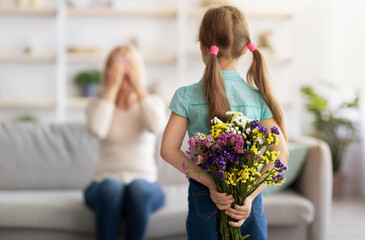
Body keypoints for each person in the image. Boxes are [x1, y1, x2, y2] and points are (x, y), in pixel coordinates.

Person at [160, 6, 289, 240]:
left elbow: (168, 150)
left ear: (202, 45)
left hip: (204, 198)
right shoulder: (258, 97)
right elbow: (280, 154)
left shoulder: (186, 96)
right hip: (247, 203)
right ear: (244, 49)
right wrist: (249, 195)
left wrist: (210, 183)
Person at [84, 45, 166, 240]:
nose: (125, 73)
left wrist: (139, 88)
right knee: (112, 187)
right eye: (119, 68)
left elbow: (156, 126)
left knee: (139, 187)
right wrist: (111, 88)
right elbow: (97, 129)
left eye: (130, 67)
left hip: (145, 186)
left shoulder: (152, 102)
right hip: (104, 186)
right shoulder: (97, 104)